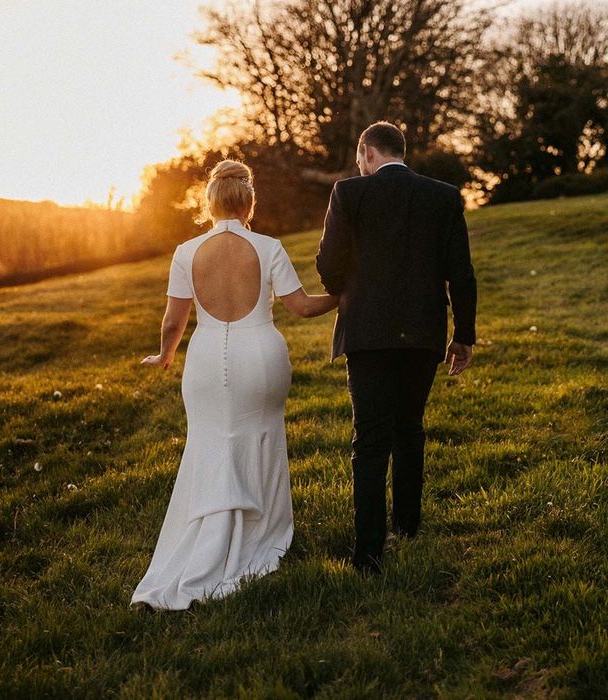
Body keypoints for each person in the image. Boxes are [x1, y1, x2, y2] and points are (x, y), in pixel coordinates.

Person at [131, 160, 337, 611]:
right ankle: (256, 532)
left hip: (205, 361)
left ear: (210, 203)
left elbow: (173, 320)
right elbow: (300, 307)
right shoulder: (268, 247)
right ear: (249, 203)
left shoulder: (186, 251)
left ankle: (204, 537)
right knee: (260, 439)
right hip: (259, 356)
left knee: (209, 443)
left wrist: (165, 355)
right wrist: (345, 296)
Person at [316, 121, 478, 575]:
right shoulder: (444, 196)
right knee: (410, 427)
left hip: (366, 335)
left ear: (368, 152)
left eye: (359, 159)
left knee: (369, 439)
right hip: (424, 333)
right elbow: (461, 273)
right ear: (400, 152)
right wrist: (463, 334)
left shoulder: (349, 194)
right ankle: (408, 525)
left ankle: (367, 553)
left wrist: (342, 284)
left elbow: (330, 267)